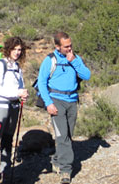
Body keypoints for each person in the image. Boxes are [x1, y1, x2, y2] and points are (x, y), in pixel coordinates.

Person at [36, 31, 91, 184]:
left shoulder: (75, 58)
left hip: (72, 100)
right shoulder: (50, 60)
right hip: (56, 100)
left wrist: (74, 61)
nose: (69, 48)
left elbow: (87, 75)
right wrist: (49, 103)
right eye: (66, 46)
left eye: (70, 45)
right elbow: (41, 83)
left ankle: (56, 159)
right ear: (57, 46)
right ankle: (66, 170)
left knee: (68, 134)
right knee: (62, 136)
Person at [0, 37, 28, 184]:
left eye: (19, 50)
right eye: (14, 49)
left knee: (8, 139)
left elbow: (19, 86)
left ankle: (6, 173)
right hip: (0, 106)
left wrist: (22, 94)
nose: (17, 52)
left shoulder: (17, 67)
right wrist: (16, 93)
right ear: (8, 49)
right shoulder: (0, 65)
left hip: (14, 106)